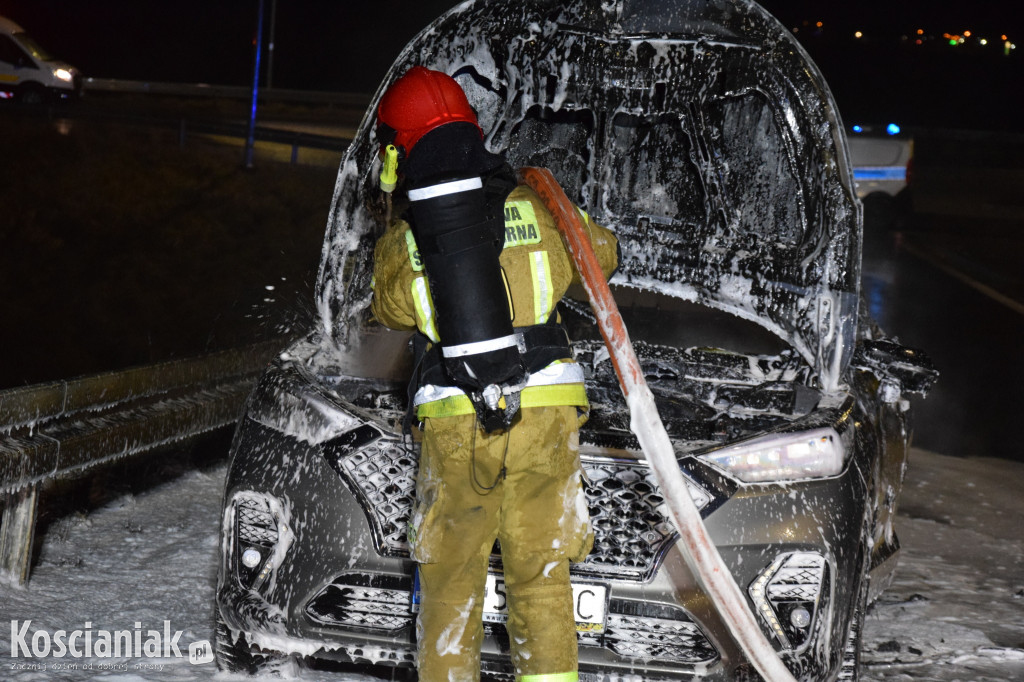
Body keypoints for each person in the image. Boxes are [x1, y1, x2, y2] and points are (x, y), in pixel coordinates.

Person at [369, 66, 618, 682]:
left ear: (401, 150)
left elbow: (390, 305)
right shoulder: (536, 205)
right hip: (547, 414)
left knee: (452, 586)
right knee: (540, 578)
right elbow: (602, 255)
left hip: (457, 421)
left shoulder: (409, 235)